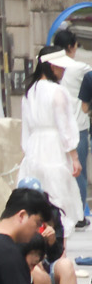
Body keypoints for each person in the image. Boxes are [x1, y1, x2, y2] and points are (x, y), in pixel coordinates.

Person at [19, 51, 84, 225]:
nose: (63, 70)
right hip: (54, 147)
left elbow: (26, 129)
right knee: (59, 196)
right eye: (61, 66)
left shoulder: (29, 92)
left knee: (35, 198)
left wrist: (27, 152)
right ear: (52, 66)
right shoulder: (58, 92)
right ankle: (61, 247)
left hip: (34, 147)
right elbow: (65, 127)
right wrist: (74, 157)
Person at [48, 31, 91, 227]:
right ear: (72, 47)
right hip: (77, 125)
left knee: (59, 170)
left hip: (55, 127)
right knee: (78, 171)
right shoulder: (79, 68)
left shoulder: (50, 68)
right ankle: (79, 215)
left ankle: (61, 213)